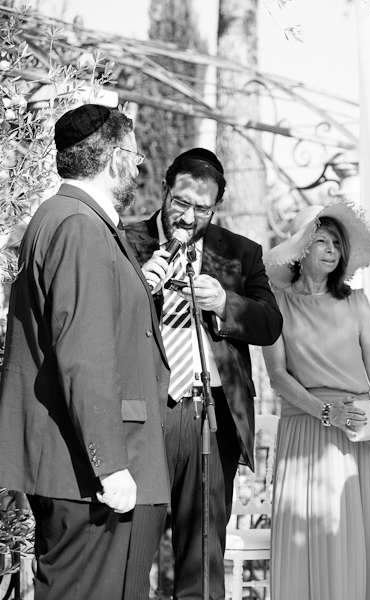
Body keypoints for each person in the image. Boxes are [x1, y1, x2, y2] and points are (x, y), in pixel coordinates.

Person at [0, 104, 170, 600]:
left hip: (82, 466)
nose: (140, 168)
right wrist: (111, 465)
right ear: (115, 159)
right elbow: (84, 354)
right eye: (135, 157)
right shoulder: (80, 226)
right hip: (93, 473)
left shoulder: (67, 218)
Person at [124, 148, 283, 600]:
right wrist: (141, 289)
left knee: (203, 556)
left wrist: (224, 305)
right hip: (144, 415)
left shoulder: (240, 253)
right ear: (164, 189)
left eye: (202, 208)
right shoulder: (124, 241)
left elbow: (270, 324)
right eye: (181, 202)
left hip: (209, 417)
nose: (189, 215)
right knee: (135, 549)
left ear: (215, 207)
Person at [261, 200, 370, 600]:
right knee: (307, 540)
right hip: (307, 430)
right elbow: (277, 376)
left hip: (356, 431)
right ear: (300, 249)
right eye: (320, 240)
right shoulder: (276, 302)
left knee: (355, 539)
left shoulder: (357, 301)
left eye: (337, 244)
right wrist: (325, 412)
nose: (331, 250)